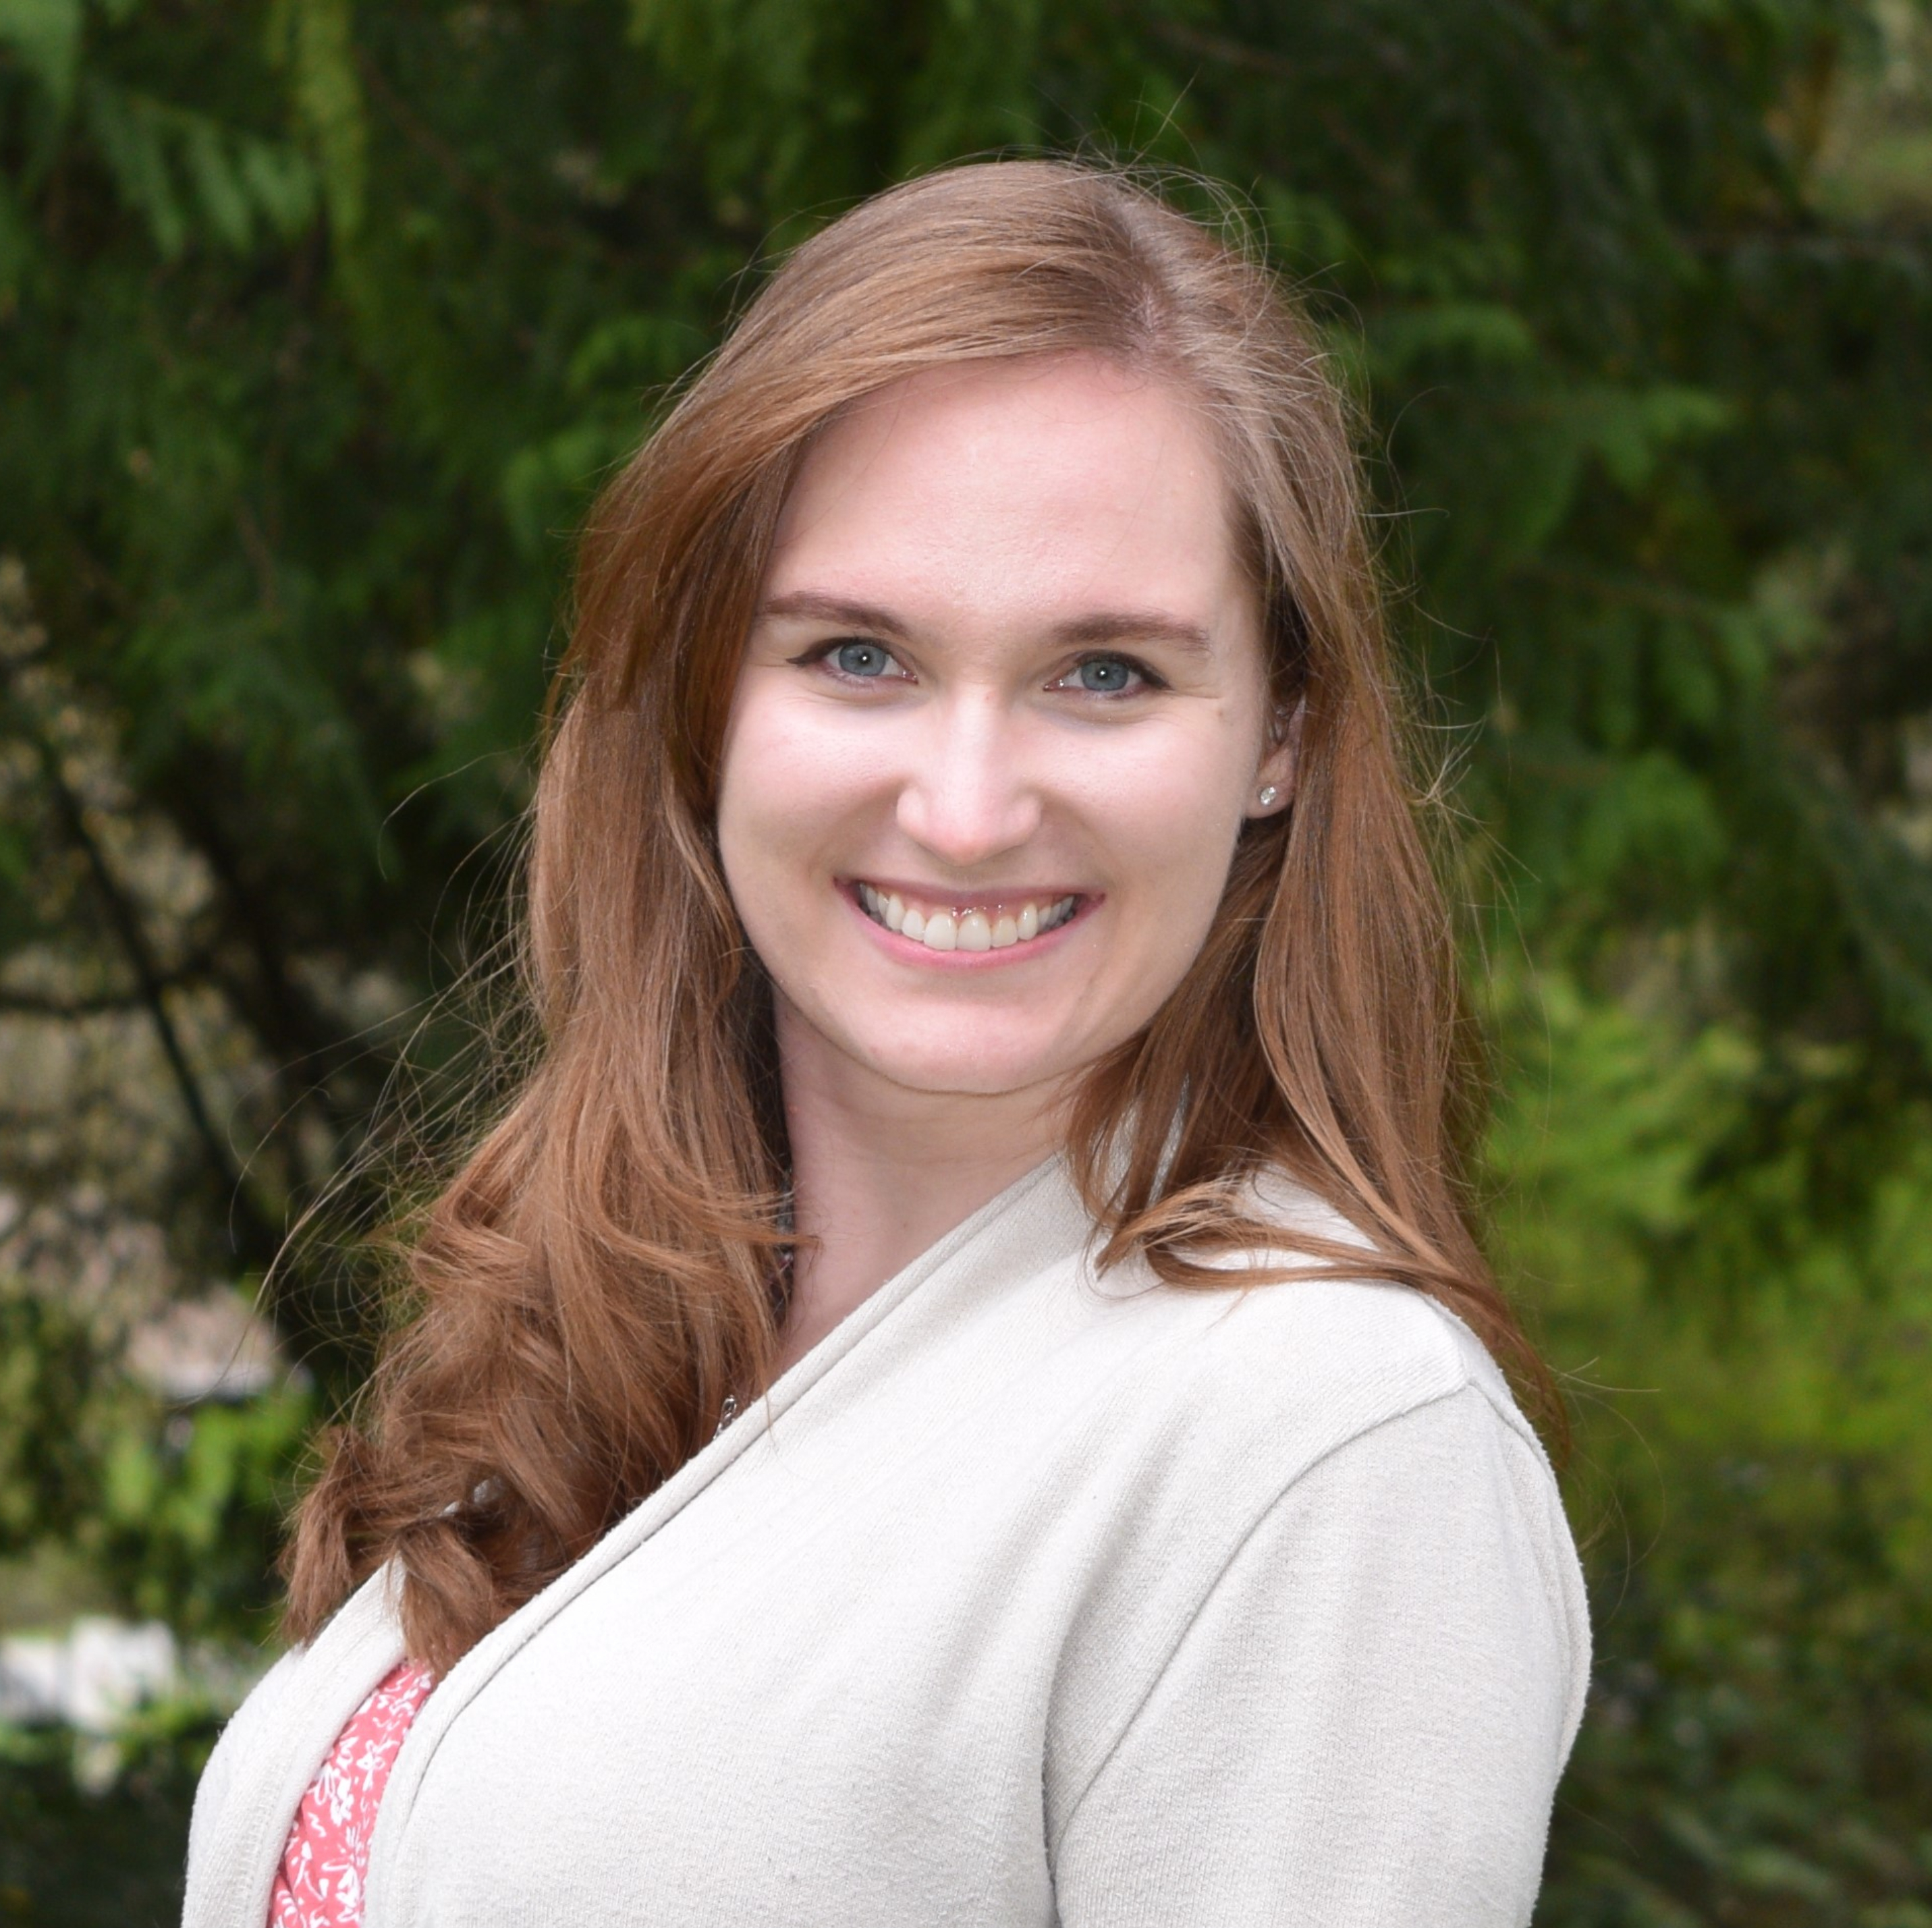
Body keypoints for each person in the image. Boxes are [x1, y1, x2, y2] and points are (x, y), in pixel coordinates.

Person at [184, 158, 1589, 1928]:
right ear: (708, 698)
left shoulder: (1322, 1437)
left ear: (1283, 733)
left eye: (1106, 673)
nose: (968, 802)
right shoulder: (607, 1343)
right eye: (859, 654)